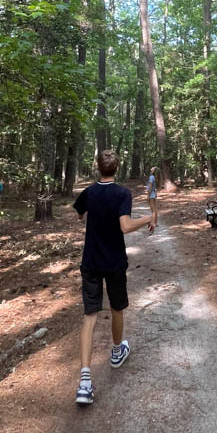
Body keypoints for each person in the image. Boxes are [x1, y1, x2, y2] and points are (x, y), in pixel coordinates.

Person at [72, 150, 153, 406]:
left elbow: (79, 214)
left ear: (98, 167)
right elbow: (125, 226)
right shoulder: (122, 194)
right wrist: (149, 218)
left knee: (89, 316)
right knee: (117, 309)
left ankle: (85, 382)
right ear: (117, 168)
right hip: (114, 262)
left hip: (91, 261)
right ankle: (117, 352)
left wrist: (91, 215)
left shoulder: (89, 192)